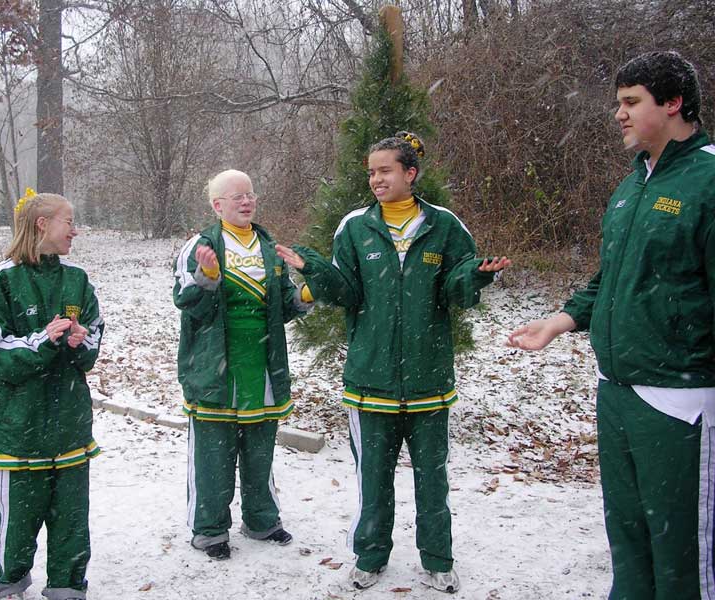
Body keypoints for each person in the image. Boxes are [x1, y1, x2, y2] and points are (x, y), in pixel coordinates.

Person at [507, 51, 715, 600]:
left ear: (672, 103)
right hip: (617, 391)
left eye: (630, 102)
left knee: (680, 555)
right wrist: (560, 320)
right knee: (628, 541)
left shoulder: (709, 181)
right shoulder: (630, 189)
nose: (618, 115)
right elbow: (610, 280)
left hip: (682, 403)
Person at [276, 132, 511, 593]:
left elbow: (454, 288)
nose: (375, 179)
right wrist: (312, 271)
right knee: (373, 481)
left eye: (385, 170)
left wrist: (477, 275)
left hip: (429, 379)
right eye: (370, 172)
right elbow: (346, 292)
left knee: (433, 480)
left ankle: (438, 559)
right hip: (370, 380)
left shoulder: (444, 226)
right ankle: (369, 557)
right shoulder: (356, 227)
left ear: (410, 173)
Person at [173, 169, 312, 560]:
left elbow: (285, 303)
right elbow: (187, 304)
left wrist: (307, 291)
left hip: (263, 363)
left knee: (259, 447)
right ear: (217, 206)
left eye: (250, 194)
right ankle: (210, 529)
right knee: (213, 453)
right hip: (214, 365)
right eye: (237, 196)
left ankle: (261, 519)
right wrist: (207, 278)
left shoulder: (268, 246)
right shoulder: (199, 246)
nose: (247, 201)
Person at [0, 189, 104, 600]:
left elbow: (95, 340)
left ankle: (67, 585)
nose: (75, 231)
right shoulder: (3, 279)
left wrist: (80, 342)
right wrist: (41, 341)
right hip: (21, 427)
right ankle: (11, 579)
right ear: (42, 225)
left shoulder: (77, 279)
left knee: (71, 517)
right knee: (19, 516)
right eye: (69, 222)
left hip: (70, 425)